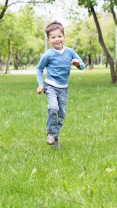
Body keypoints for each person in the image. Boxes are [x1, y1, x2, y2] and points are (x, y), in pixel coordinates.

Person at [36, 21, 85, 149]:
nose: (57, 39)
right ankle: (50, 133)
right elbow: (39, 69)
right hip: (50, 86)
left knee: (61, 114)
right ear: (48, 39)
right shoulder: (48, 55)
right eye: (53, 37)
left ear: (63, 36)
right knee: (53, 108)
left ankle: (55, 138)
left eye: (59, 36)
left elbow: (82, 66)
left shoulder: (70, 52)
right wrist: (41, 84)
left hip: (63, 88)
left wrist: (77, 64)